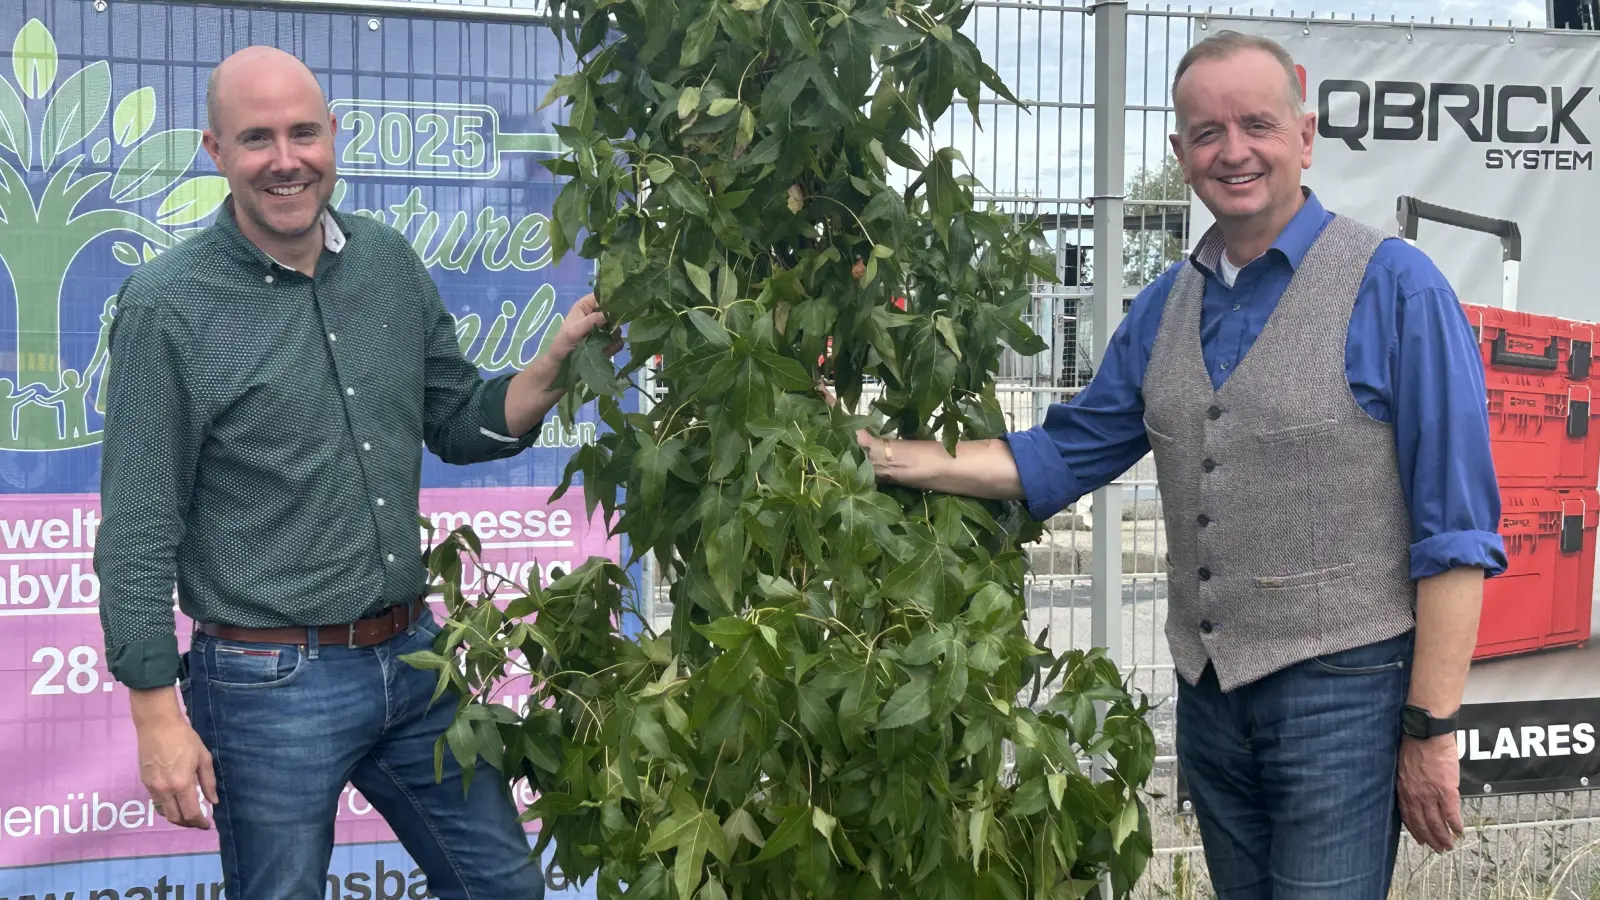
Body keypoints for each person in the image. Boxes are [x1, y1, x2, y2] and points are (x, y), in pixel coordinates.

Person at [850, 30, 1505, 899]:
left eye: (1258, 125)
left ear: (1304, 137)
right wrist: (887, 459)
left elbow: (1457, 532)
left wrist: (1430, 728)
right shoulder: (1167, 303)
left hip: (1345, 695)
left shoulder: (1397, 288)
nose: (1234, 151)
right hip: (1211, 698)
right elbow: (1065, 450)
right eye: (1207, 133)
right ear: (1180, 154)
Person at [94, 46, 613, 900]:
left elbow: (456, 419)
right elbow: (141, 525)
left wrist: (557, 360)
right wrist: (156, 712)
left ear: (335, 136)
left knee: (506, 888)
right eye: (256, 138)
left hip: (415, 659)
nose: (286, 159)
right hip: (267, 686)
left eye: (304, 132)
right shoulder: (167, 306)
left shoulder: (387, 263)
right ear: (215, 151)